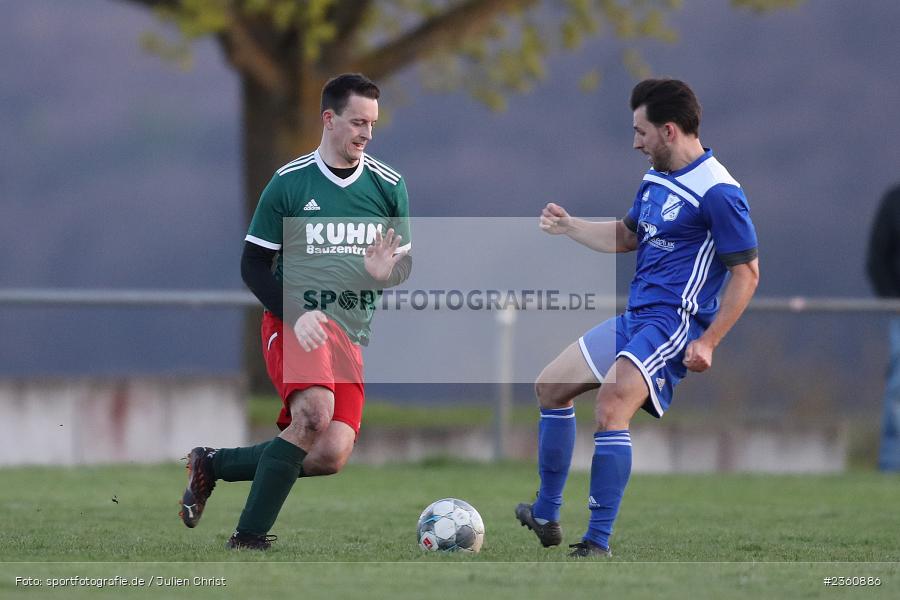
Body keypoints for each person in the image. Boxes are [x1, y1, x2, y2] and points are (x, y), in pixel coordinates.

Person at [515, 78, 759, 557]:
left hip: (674, 324)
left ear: (668, 130)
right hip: (636, 318)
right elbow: (628, 237)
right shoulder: (656, 178)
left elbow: (747, 274)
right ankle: (545, 511)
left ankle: (597, 543)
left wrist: (709, 341)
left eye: (641, 132)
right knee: (550, 386)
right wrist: (570, 228)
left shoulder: (720, 192)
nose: (635, 142)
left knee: (611, 407)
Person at [178, 73, 413, 549]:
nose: (366, 133)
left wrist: (381, 272)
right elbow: (252, 263)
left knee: (330, 453)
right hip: (295, 322)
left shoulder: (389, 186)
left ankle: (213, 464)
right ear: (329, 119)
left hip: (348, 332)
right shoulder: (289, 183)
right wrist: (293, 311)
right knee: (313, 415)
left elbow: (402, 267)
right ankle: (248, 538)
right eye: (356, 122)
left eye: (372, 124)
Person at [866, 184, 900, 472]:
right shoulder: (894, 201)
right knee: (898, 392)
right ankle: (892, 465)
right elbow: (877, 259)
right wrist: (893, 300)